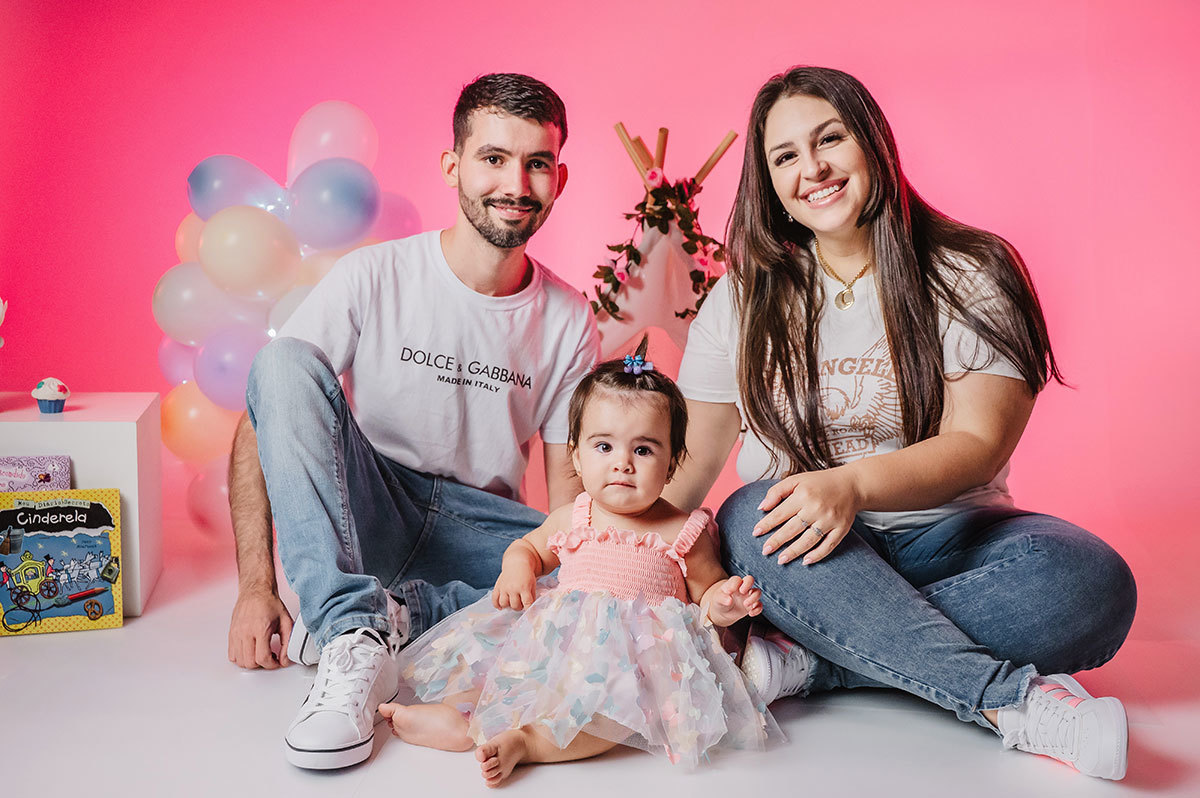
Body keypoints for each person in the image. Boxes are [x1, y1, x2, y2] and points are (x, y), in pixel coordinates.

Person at [665, 66, 1136, 781]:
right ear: (768, 183)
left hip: (953, 540)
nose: (812, 169)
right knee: (750, 511)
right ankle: (1011, 704)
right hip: (802, 558)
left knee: (1091, 582)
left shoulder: (970, 271)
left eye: (830, 139)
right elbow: (689, 469)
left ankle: (815, 661)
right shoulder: (740, 300)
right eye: (786, 156)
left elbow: (978, 444)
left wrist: (850, 485)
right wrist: (596, 549)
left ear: (873, 143)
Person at [226, 73, 600, 770]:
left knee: (607, 577)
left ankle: (393, 616)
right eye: (493, 158)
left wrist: (592, 569)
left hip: (478, 528)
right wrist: (255, 588)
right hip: (371, 501)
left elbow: (571, 499)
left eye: (536, 163)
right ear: (453, 166)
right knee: (281, 363)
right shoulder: (374, 274)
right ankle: (350, 630)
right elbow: (265, 413)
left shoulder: (570, 317)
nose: (515, 183)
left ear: (560, 178)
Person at [378, 338, 779, 786]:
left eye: (643, 450)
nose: (622, 464)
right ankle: (460, 718)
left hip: (634, 665)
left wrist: (725, 602)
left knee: (611, 716)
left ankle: (528, 743)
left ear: (671, 464)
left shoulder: (684, 530)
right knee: (500, 670)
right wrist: (518, 568)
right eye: (604, 447)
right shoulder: (575, 517)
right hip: (557, 640)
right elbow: (529, 548)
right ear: (576, 455)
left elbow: (707, 592)